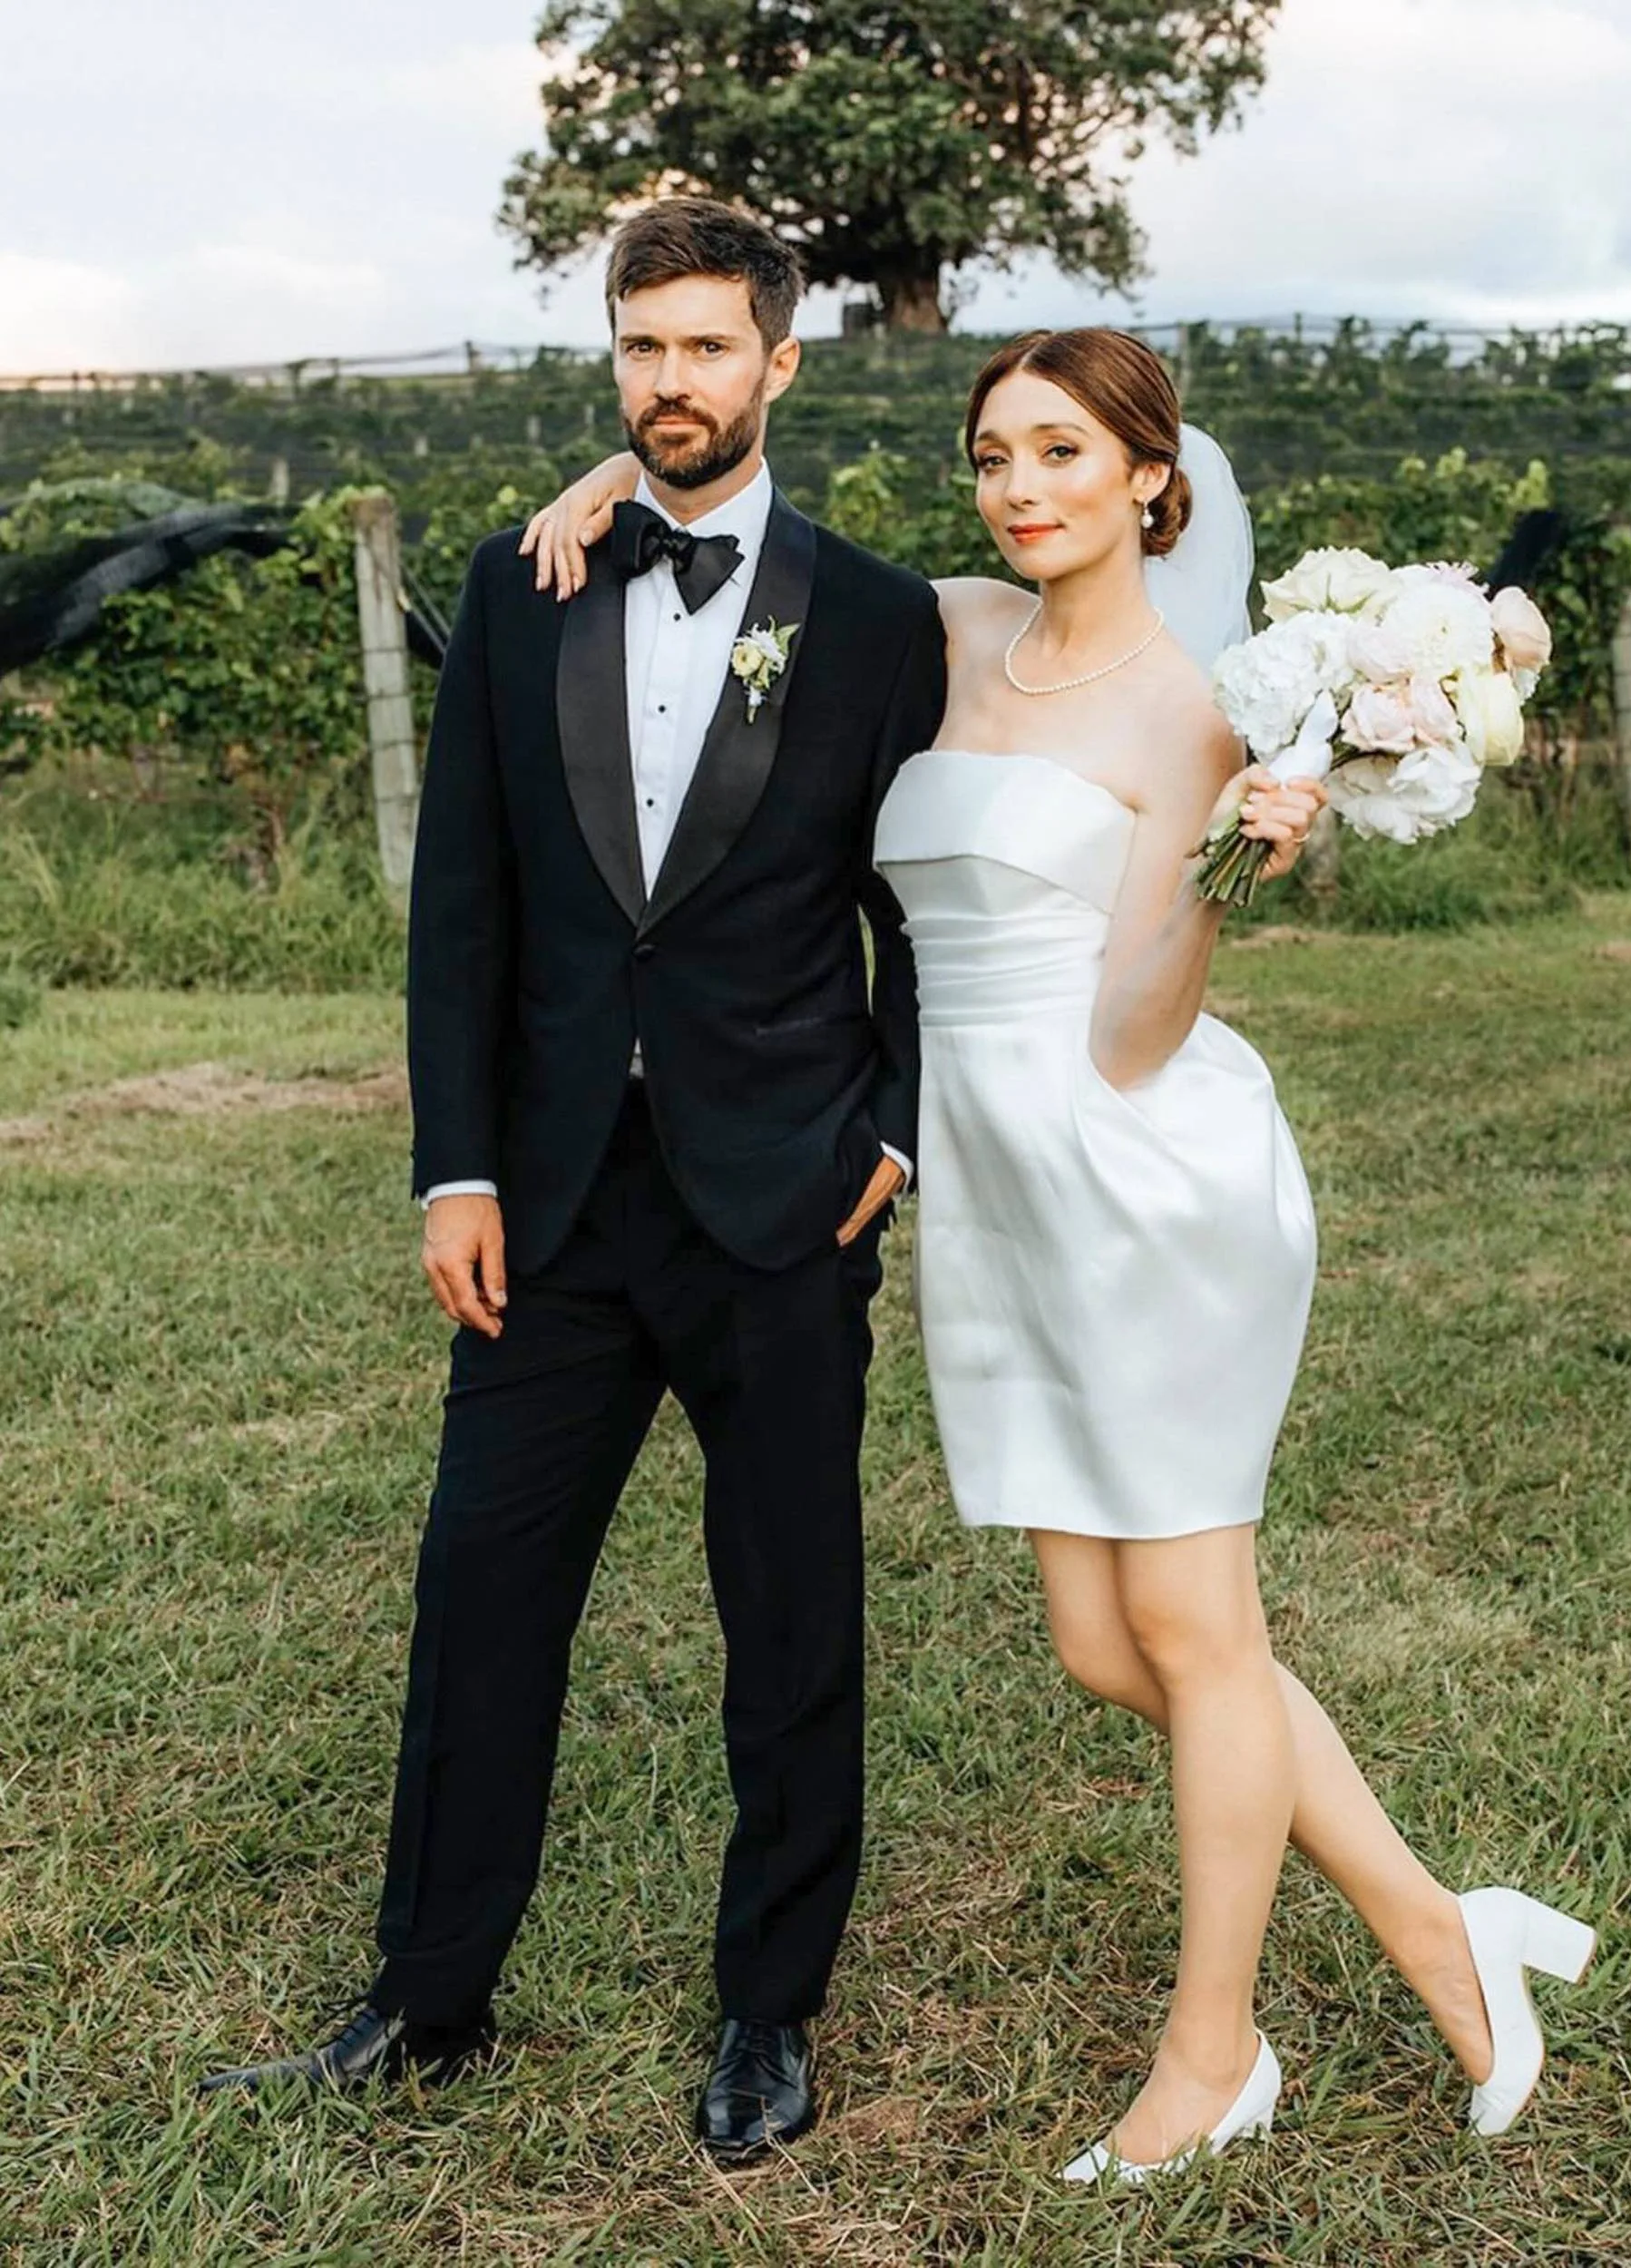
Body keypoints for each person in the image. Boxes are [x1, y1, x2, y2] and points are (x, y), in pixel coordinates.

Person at [524, 322, 1596, 2181]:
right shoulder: (951, 631)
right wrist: (625, 475)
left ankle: (1215, 2048)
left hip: (1142, 1168)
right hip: (995, 1185)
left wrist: (1235, 865)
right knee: (1122, 1647)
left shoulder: (1194, 713)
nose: (1023, 488)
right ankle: (1446, 1928)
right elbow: (767, 545)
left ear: (1151, 481)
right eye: (996, 455)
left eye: (1064, 456)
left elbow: (1132, 1029)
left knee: (1193, 1624)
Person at [200, 197, 945, 2165]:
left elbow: (923, 907)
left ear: (782, 361)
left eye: (708, 348)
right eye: (642, 350)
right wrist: (454, 1166)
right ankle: (425, 1995)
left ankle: (769, 2009)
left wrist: (896, 1130)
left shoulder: (872, 618)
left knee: (789, 1617)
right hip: (547, 1206)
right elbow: (466, 907)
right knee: (479, 1590)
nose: (671, 383)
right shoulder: (522, 578)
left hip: (788, 1199)